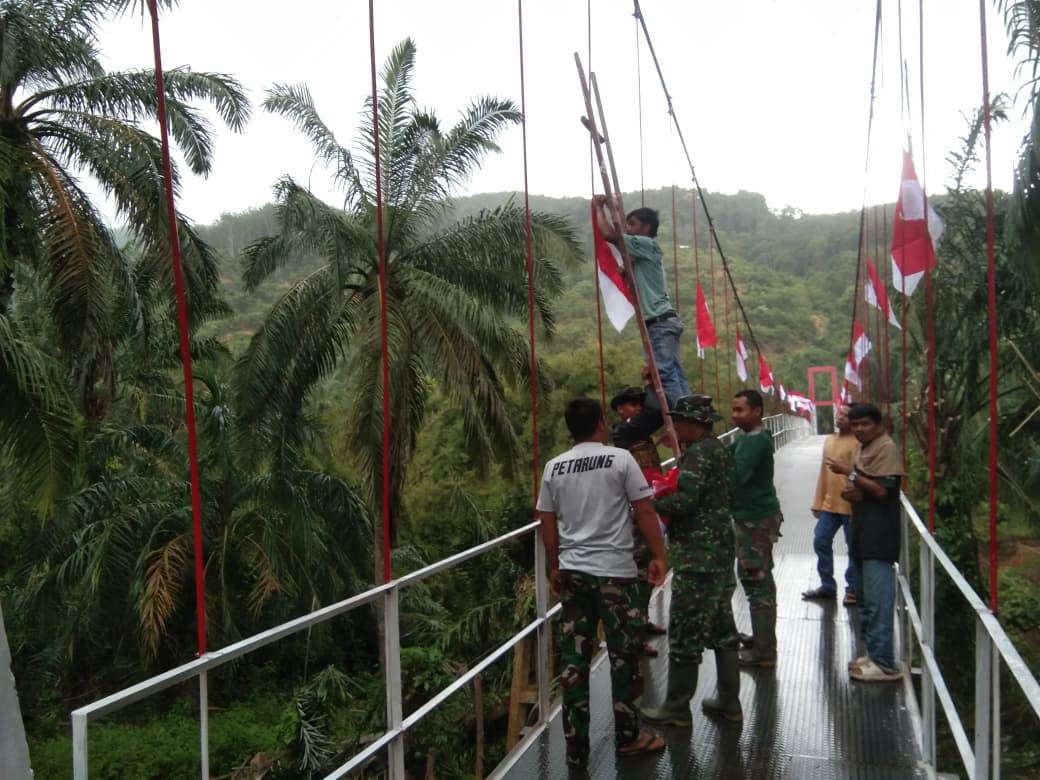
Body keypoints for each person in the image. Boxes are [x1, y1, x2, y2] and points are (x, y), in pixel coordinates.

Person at [537, 398, 668, 772]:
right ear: (599, 424)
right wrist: (658, 555)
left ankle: (576, 749)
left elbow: (547, 520)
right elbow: (644, 509)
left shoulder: (554, 467)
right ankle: (628, 738)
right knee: (623, 657)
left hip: (574, 575)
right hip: (615, 574)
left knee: (575, 662)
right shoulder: (620, 459)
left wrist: (555, 566)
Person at [640, 395, 743, 726]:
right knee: (722, 626)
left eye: (679, 420)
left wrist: (652, 501)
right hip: (719, 553)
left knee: (684, 629)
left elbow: (685, 502)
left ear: (695, 423)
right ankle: (729, 700)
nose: (674, 425)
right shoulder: (719, 451)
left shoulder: (699, 454)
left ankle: (676, 707)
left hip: (699, 557)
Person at [826, 402, 905, 682]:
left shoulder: (886, 448)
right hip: (861, 531)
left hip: (879, 536)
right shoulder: (863, 448)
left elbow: (883, 490)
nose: (859, 429)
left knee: (878, 601)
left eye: (865, 424)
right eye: (855, 424)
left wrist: (848, 473)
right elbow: (867, 488)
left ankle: (885, 664)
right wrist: (854, 493)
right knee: (864, 598)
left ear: (878, 425)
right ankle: (873, 654)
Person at [593, 195, 690, 406]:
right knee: (675, 372)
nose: (628, 228)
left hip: (658, 323)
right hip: (667, 321)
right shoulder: (643, 253)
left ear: (646, 228)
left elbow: (611, 235)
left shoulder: (645, 245)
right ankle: (691, 412)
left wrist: (598, 208)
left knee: (665, 374)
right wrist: (616, 209)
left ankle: (682, 418)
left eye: (633, 224)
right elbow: (622, 237)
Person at [609, 384, 667, 655]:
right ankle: (633, 631)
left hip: (646, 504)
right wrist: (653, 383)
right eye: (630, 404)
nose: (630, 409)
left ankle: (640, 622)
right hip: (636, 510)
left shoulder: (635, 429)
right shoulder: (628, 429)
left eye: (633, 404)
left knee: (643, 569)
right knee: (637, 568)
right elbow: (657, 411)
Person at [729, 389, 783, 668]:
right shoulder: (750, 439)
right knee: (761, 578)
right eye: (733, 409)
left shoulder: (752, 442)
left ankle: (763, 652)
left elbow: (734, 476)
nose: (734, 415)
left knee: (755, 579)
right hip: (760, 516)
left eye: (740, 410)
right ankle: (763, 641)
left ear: (757, 411)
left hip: (753, 519)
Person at [802, 407, 858, 605]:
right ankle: (827, 586)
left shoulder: (858, 442)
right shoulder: (830, 440)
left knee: (854, 548)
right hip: (830, 504)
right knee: (821, 540)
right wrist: (818, 501)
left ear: (853, 420)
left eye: (844, 415)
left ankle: (852, 588)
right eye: (839, 413)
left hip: (852, 506)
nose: (838, 417)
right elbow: (823, 472)